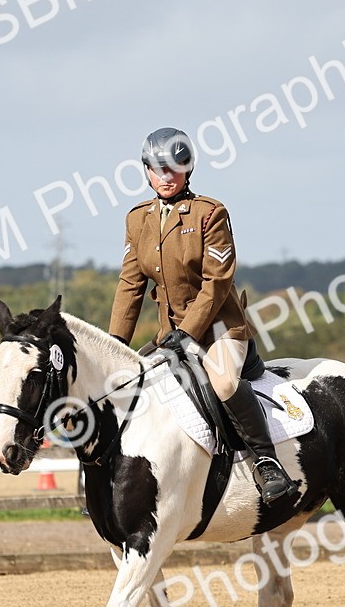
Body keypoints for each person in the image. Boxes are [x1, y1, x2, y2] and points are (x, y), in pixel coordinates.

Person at [109, 127, 298, 504]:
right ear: (146, 170)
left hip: (220, 330)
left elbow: (217, 283)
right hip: (169, 335)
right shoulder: (137, 220)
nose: (165, 177)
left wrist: (190, 332)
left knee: (225, 384)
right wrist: (115, 345)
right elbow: (129, 285)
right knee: (123, 389)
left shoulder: (211, 214)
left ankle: (267, 463)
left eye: (174, 169)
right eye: (157, 169)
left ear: (187, 168)